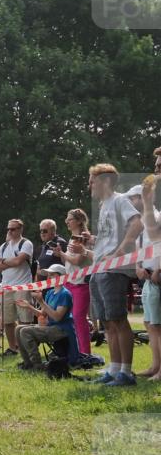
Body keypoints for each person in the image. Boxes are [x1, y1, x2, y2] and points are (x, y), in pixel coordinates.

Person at [87, 163, 143, 386]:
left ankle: (126, 373)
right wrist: (92, 241)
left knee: (118, 320)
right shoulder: (103, 205)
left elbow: (137, 223)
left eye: (92, 179)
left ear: (105, 180)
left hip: (114, 269)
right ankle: (114, 369)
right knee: (107, 322)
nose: (89, 184)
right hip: (99, 268)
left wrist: (120, 251)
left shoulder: (120, 200)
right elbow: (110, 234)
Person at [14, 263, 74, 371]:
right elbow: (43, 314)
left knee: (25, 331)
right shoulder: (50, 292)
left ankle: (37, 365)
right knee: (18, 328)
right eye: (48, 275)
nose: (48, 278)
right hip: (51, 327)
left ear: (61, 277)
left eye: (52, 275)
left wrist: (41, 301)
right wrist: (29, 306)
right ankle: (28, 363)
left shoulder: (65, 294)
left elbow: (57, 318)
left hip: (62, 329)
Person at [130, 169, 161, 381]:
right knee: (150, 324)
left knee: (158, 326)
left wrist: (158, 269)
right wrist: (138, 267)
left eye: (134, 198)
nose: (132, 201)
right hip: (149, 278)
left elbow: (158, 241)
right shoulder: (142, 221)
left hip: (157, 276)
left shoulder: (155, 215)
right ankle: (155, 366)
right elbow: (141, 249)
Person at [0, 219, 35, 356]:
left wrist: (3, 262)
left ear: (20, 229)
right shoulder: (4, 246)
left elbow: (19, 261)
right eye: (8, 229)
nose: (10, 231)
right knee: (7, 321)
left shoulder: (26, 243)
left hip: (23, 285)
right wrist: (8, 262)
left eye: (13, 229)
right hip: (6, 287)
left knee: (25, 320)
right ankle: (13, 348)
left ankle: (28, 349)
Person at [59, 210, 94, 355]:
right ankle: (71, 351)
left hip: (81, 284)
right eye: (66, 219)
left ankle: (85, 353)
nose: (67, 221)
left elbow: (77, 261)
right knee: (69, 319)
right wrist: (62, 254)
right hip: (69, 282)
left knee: (79, 319)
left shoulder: (83, 238)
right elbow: (69, 263)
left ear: (79, 221)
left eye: (70, 219)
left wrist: (60, 253)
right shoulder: (72, 238)